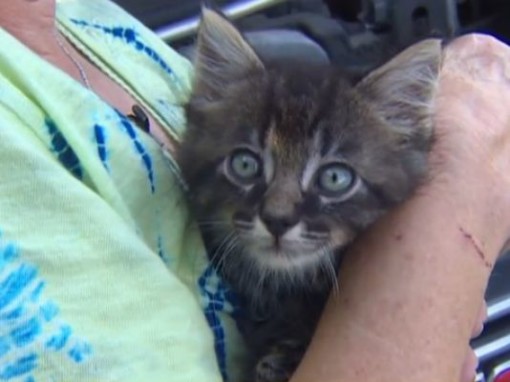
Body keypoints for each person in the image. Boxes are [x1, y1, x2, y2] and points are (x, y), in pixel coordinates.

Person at [0, 1, 506, 382]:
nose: (280, 210)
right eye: (249, 166)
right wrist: (457, 203)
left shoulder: (79, 14)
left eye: (331, 180)